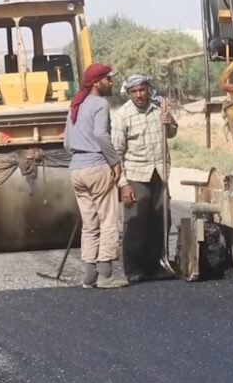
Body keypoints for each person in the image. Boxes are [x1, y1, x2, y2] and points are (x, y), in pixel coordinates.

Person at [63, 63, 129, 289]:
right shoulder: (100, 104)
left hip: (76, 169)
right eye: (108, 79)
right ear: (96, 82)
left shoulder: (75, 105)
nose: (111, 82)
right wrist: (115, 162)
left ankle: (88, 275)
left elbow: (67, 142)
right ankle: (105, 275)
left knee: (89, 224)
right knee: (108, 220)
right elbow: (101, 134)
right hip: (97, 166)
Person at [112, 74, 178, 282]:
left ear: (149, 89)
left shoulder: (161, 109)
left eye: (142, 90)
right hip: (135, 175)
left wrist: (170, 123)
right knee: (136, 222)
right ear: (129, 93)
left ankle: (156, 265)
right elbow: (116, 153)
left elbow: (172, 133)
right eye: (134, 91)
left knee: (161, 220)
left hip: (160, 173)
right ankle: (134, 270)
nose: (139, 95)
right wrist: (123, 185)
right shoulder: (123, 115)